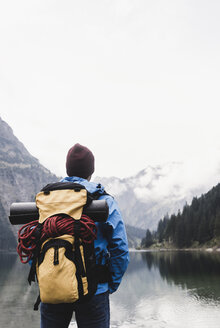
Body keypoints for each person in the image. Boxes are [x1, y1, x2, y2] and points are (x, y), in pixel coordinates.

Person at [40, 143, 129, 328]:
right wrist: (110, 284)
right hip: (95, 289)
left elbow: (34, 242)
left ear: (67, 169)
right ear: (91, 171)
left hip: (53, 287)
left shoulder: (48, 200)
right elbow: (120, 248)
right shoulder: (104, 200)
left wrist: (46, 277)